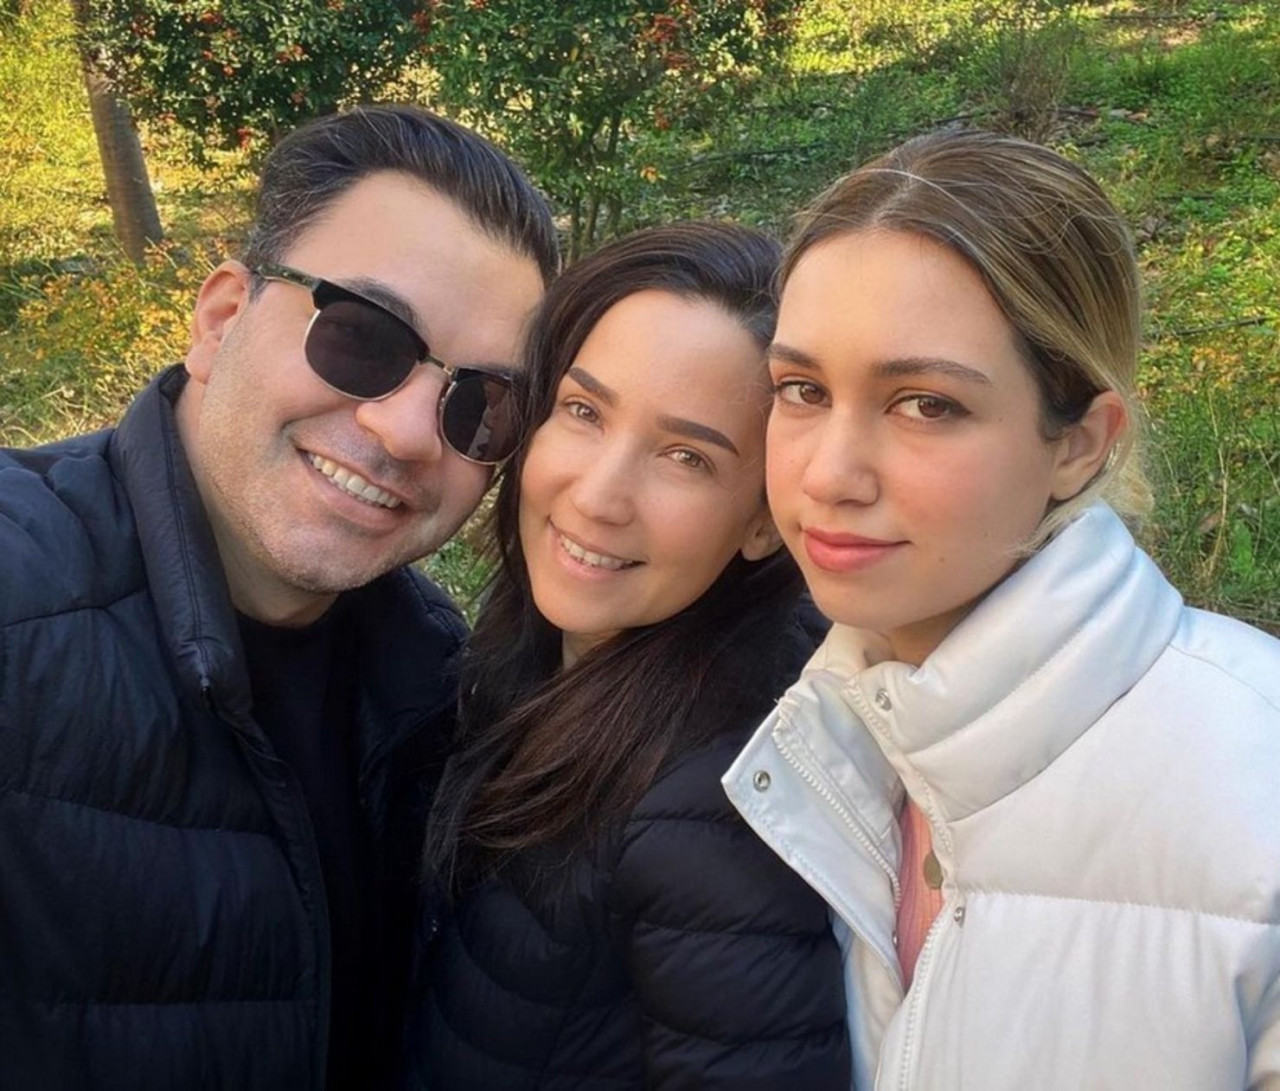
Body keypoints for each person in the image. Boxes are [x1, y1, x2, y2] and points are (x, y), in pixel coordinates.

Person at [0, 104, 557, 1090]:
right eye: (362, 336)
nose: (404, 432)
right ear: (220, 320)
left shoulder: (439, 681)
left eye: (481, 404)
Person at [722, 128, 1280, 1089]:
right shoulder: (804, 737)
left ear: (1080, 442)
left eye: (926, 404)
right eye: (802, 390)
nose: (829, 474)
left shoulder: (1255, 781)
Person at [407, 222, 852, 1089]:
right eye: (584, 411)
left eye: (686, 456)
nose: (599, 495)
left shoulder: (720, 812)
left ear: (764, 521)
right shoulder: (529, 655)